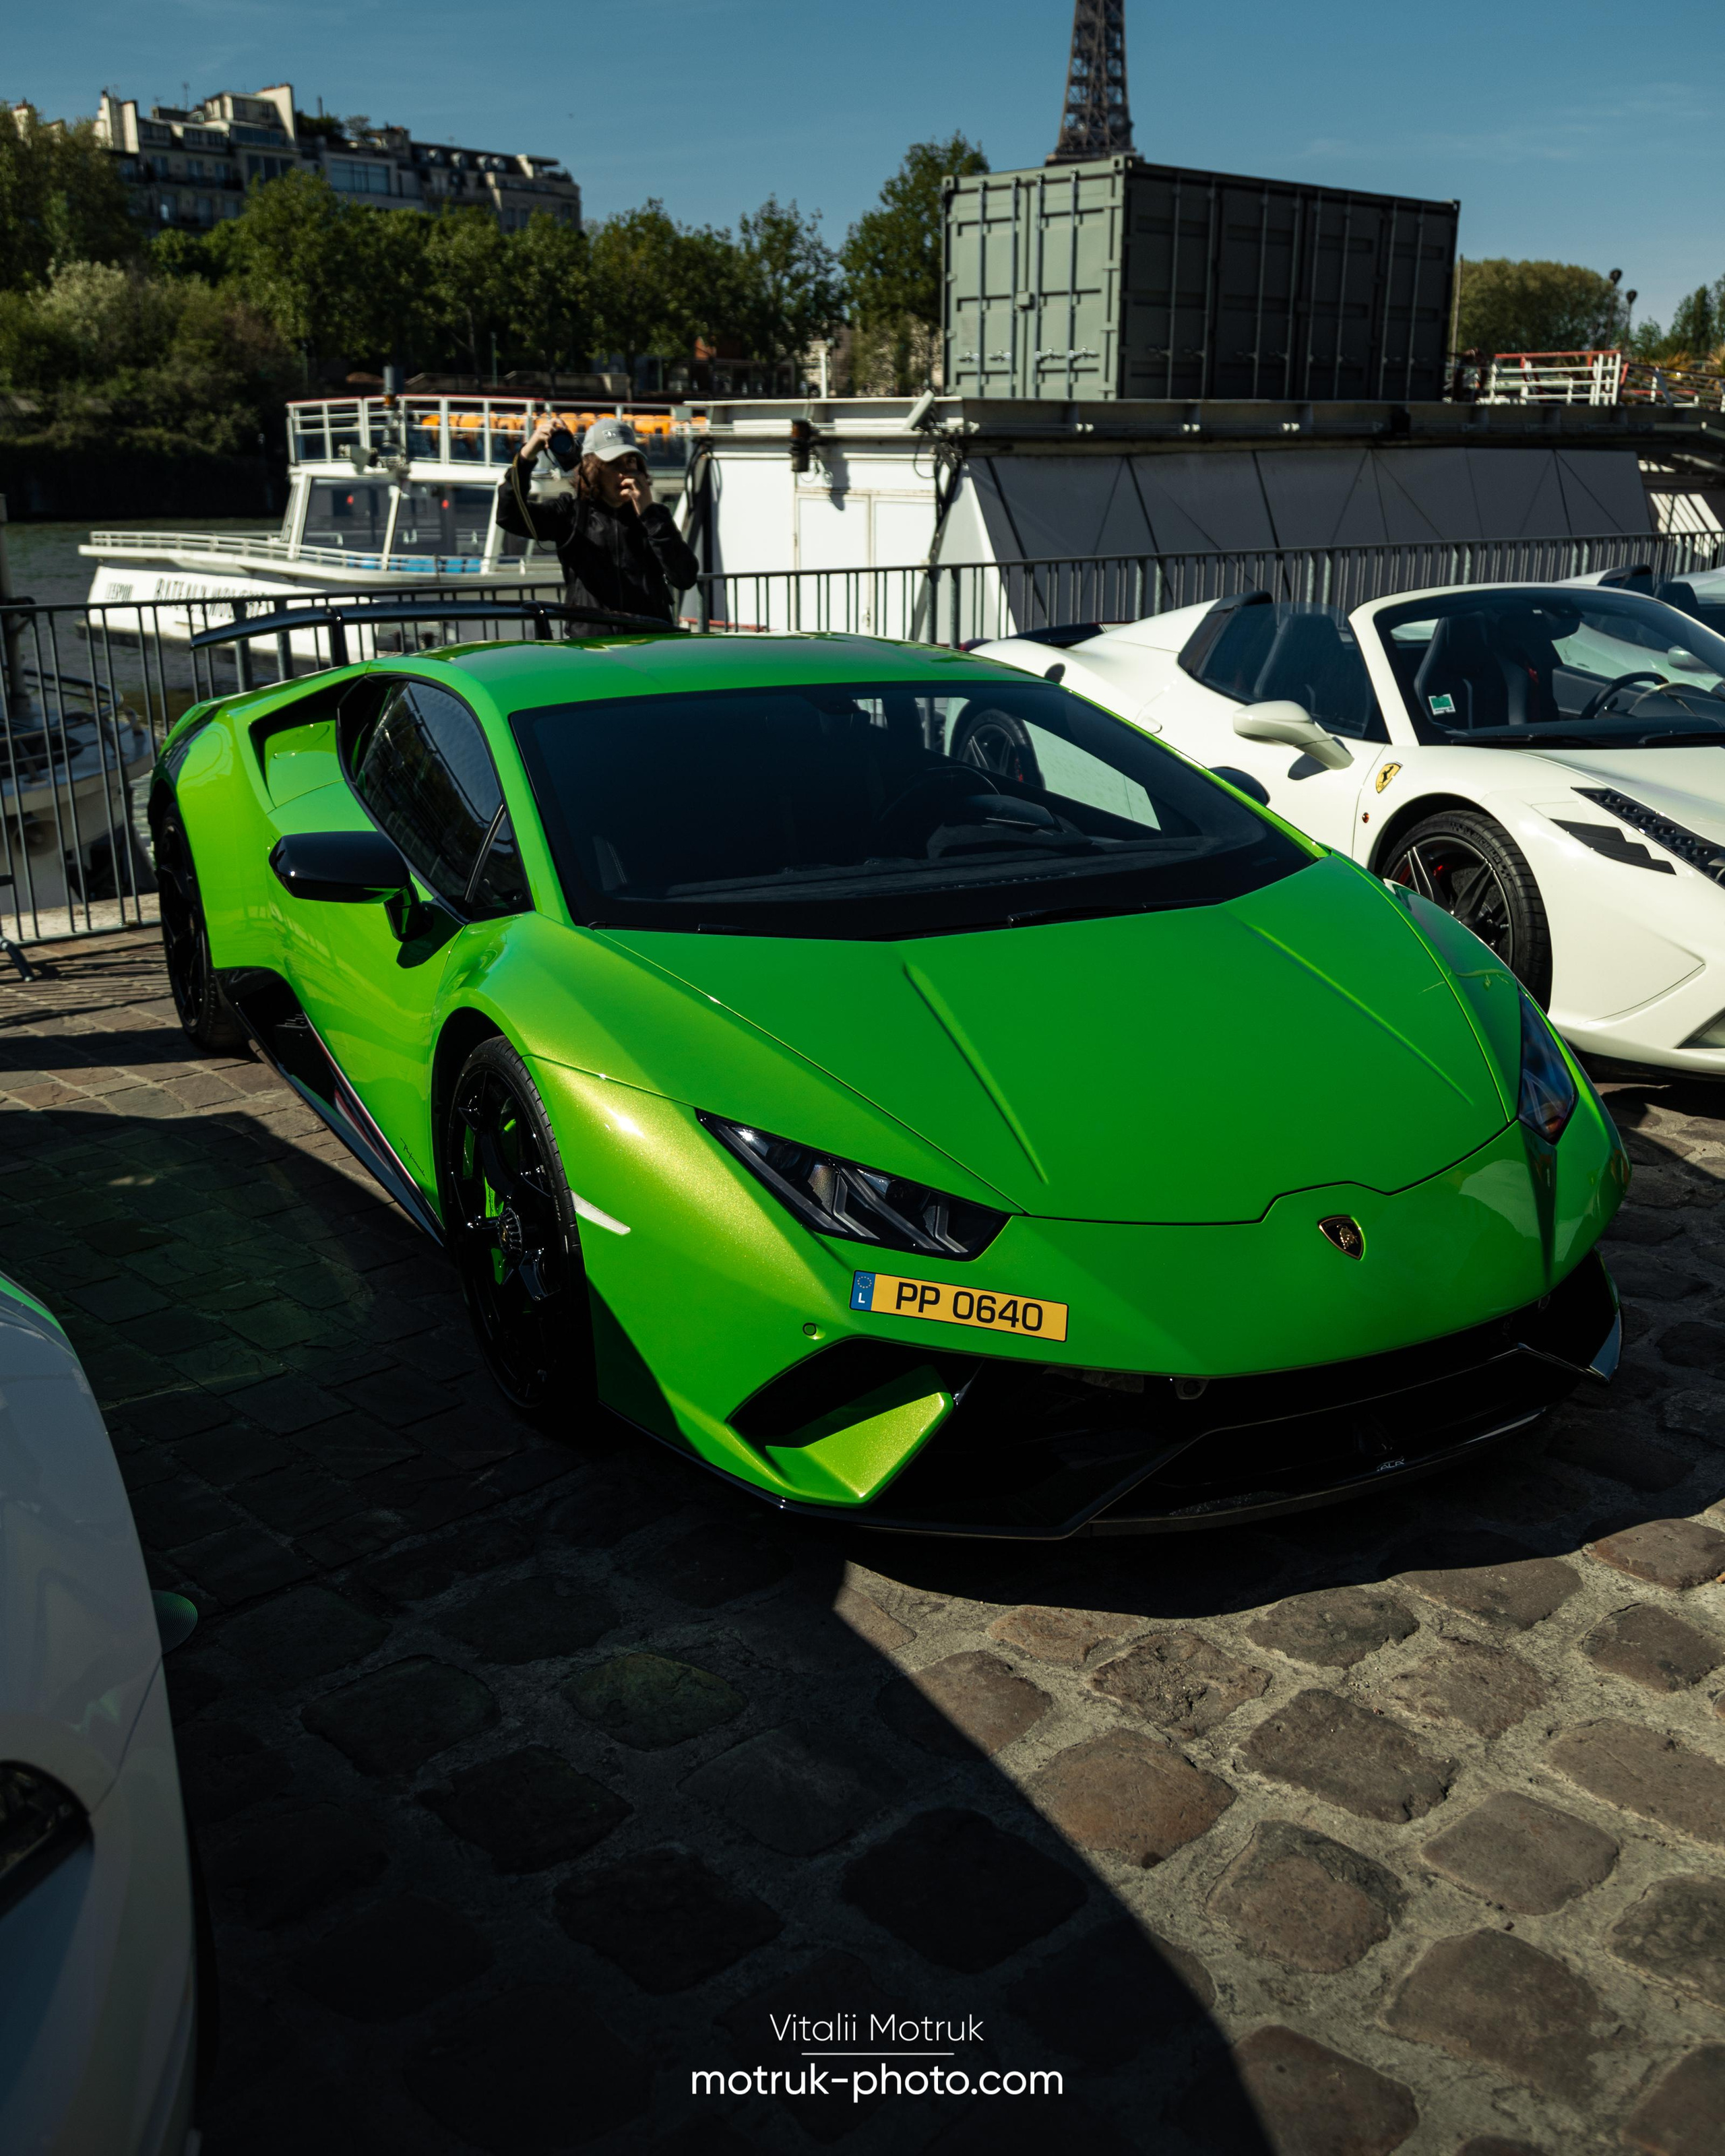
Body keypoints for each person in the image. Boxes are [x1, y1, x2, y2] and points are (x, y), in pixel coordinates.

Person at [496, 414, 699, 627]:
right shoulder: (570, 514)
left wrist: (649, 515)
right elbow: (509, 516)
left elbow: (685, 577)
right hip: (594, 644)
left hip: (650, 640)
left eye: (630, 461)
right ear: (593, 469)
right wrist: (527, 456)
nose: (625, 473)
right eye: (613, 464)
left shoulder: (655, 517)